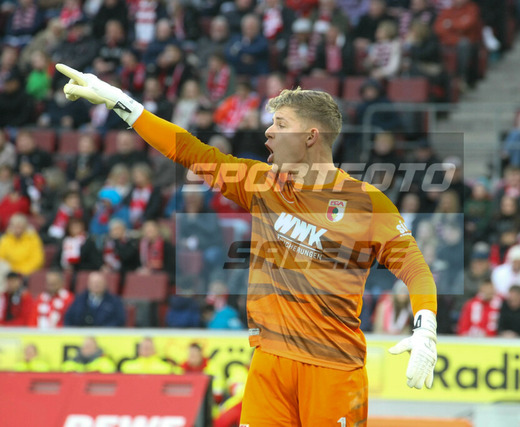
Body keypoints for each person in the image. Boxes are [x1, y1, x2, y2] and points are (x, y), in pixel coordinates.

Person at [57, 62, 438, 425]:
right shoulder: (262, 183)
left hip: (333, 368)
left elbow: (415, 269)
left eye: (280, 124)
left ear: (310, 137)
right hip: (268, 361)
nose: (268, 132)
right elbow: (190, 151)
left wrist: (425, 328)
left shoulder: (366, 203)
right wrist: (121, 102)